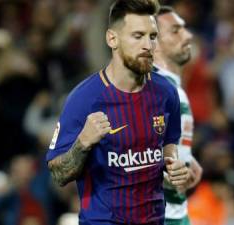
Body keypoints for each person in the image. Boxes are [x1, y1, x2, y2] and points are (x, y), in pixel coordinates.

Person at [46, 0, 189, 224]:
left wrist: (174, 167)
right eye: (137, 35)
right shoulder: (83, 99)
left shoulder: (166, 93)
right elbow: (58, 174)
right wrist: (82, 143)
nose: (148, 45)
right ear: (112, 39)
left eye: (152, 36)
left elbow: (169, 146)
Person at [154, 6, 203, 225]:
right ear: (153, 41)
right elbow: (136, 153)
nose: (188, 35)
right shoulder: (157, 91)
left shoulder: (172, 89)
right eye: (175, 30)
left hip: (176, 212)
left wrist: (187, 159)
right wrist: (169, 175)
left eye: (184, 28)